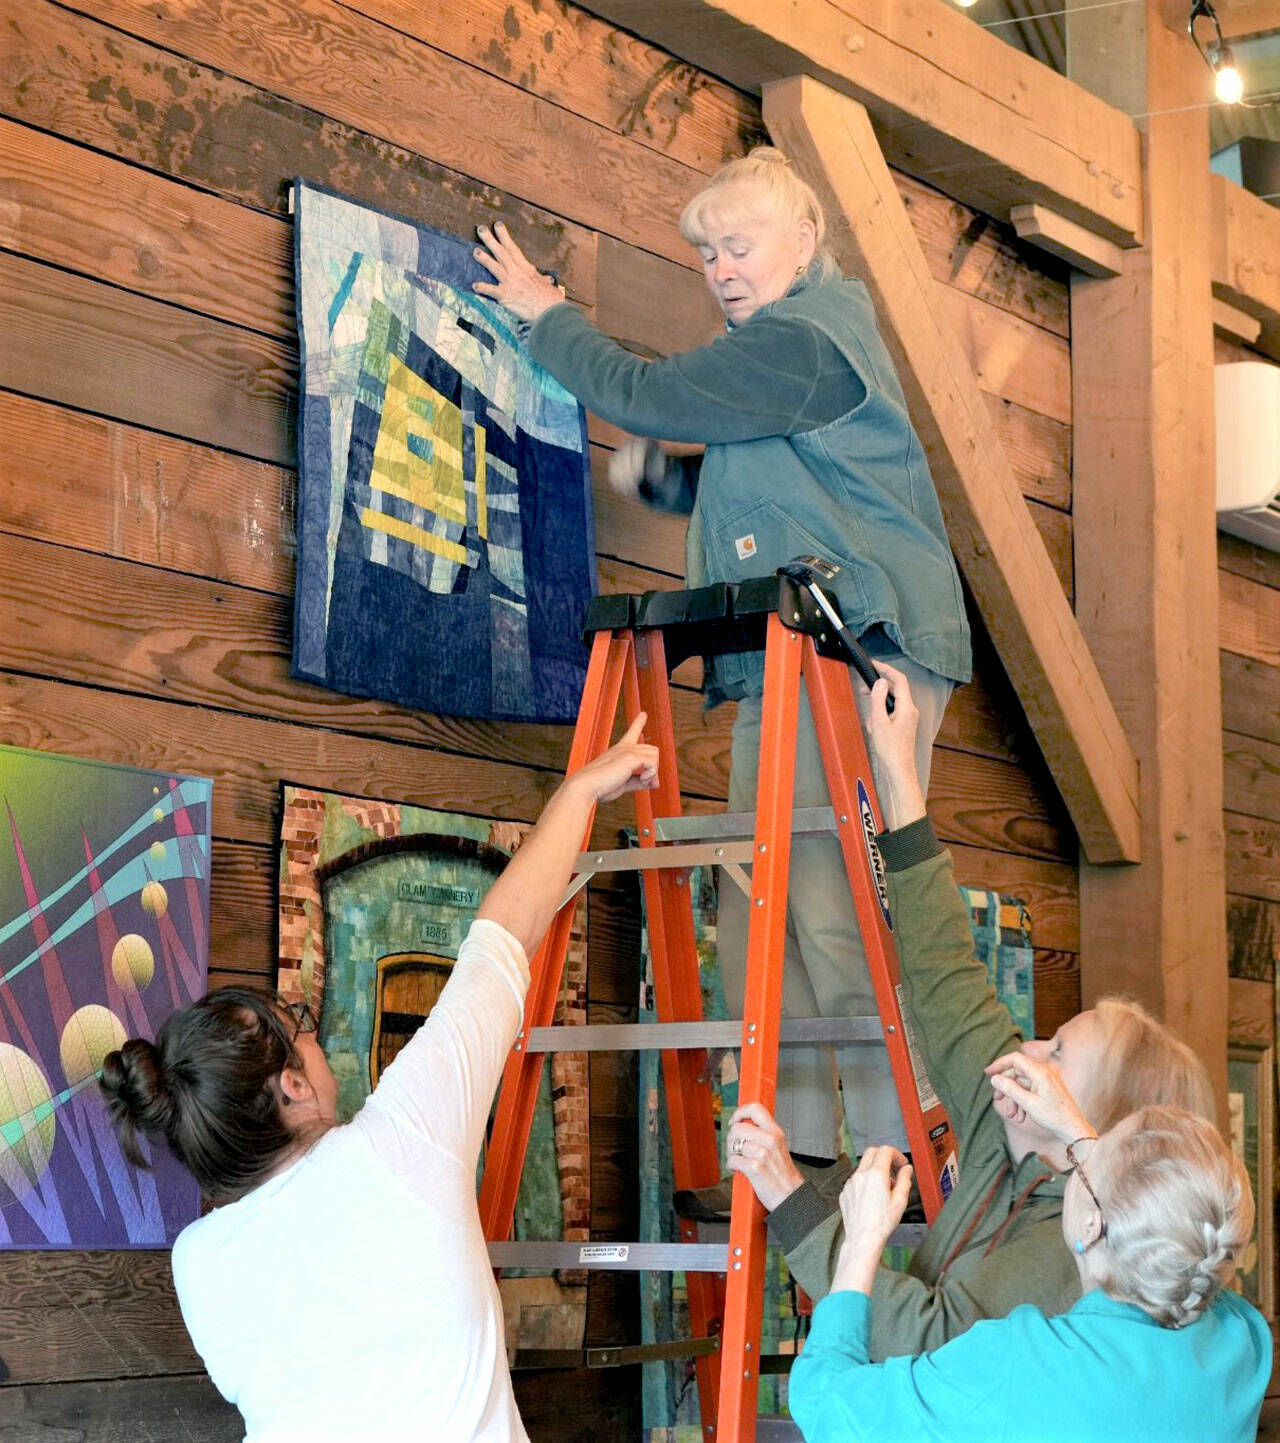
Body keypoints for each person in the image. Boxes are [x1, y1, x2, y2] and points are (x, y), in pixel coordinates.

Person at [473, 146, 972, 1179]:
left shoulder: (809, 337)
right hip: (784, 656)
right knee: (764, 915)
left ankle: (894, 1174)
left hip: (853, 649)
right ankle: (791, 1162)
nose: (720, 269)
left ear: (804, 242)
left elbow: (643, 391)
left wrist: (545, 313)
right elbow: (776, 474)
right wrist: (674, 484)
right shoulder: (782, 358)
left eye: (737, 245)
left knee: (835, 917)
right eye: (704, 254)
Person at [99, 720, 660, 1443]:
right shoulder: (401, 1139)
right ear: (291, 1087)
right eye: (301, 1025)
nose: (316, 1035)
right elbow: (501, 939)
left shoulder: (196, 1267)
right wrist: (582, 788)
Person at [722, 664, 1216, 1359]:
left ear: (1096, 1121)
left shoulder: (1069, 1244)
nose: (1030, 1047)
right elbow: (944, 965)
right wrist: (898, 775)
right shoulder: (1002, 1119)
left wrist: (791, 1196)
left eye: (1058, 1054)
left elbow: (926, 1339)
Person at [787, 1100, 1270, 1443]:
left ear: (1092, 1224)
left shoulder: (1016, 1363)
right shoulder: (1240, 1342)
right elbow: (1178, 1236)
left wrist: (862, 1241)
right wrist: (1077, 1132)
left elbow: (823, 1405)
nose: (1073, 1158)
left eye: (1084, 1162)